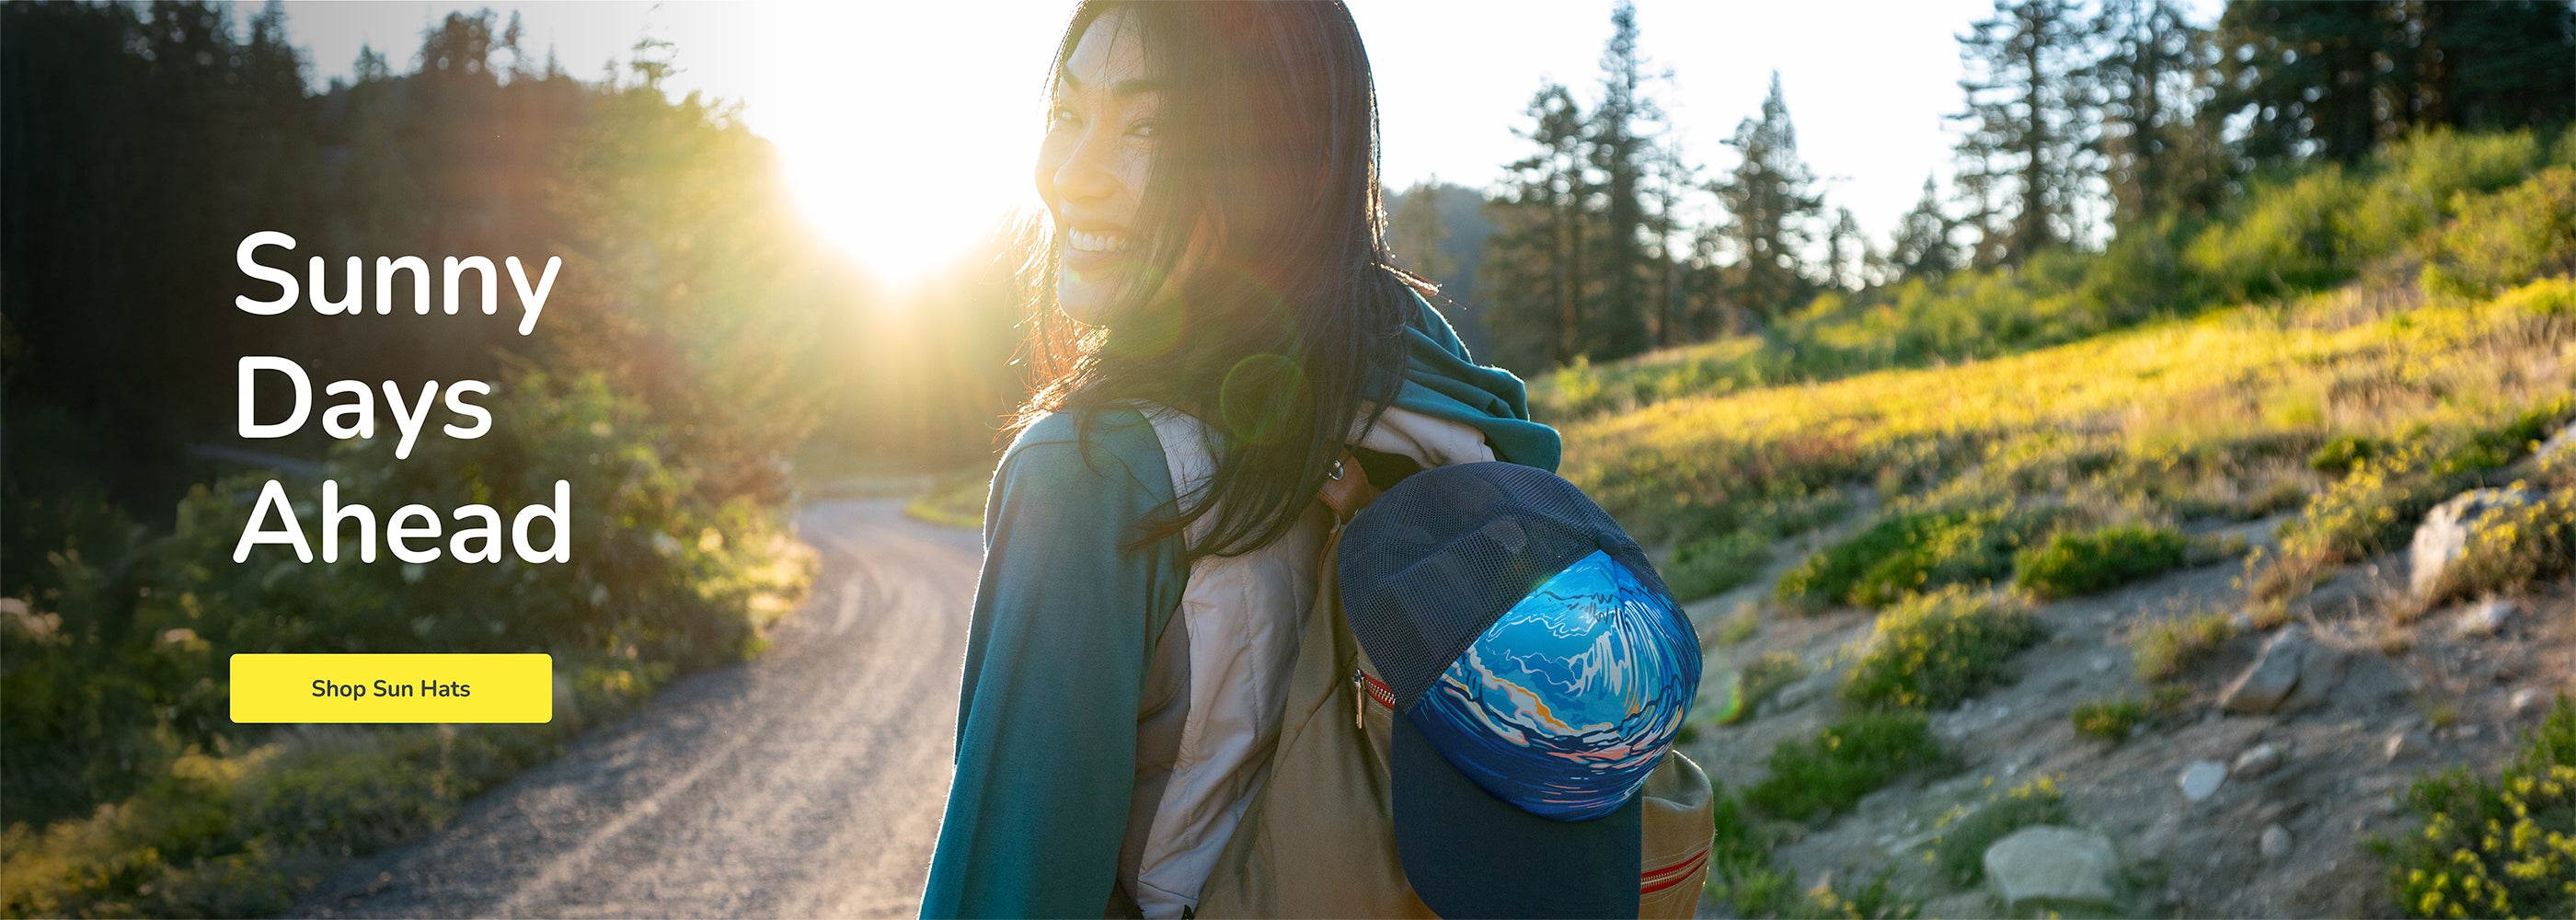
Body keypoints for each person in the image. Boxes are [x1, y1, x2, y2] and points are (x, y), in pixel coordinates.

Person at [918, 3, 1558, 917]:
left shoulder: (1090, 476)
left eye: (1153, 128)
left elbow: (1006, 889)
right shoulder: (1424, 366)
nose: (1071, 175)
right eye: (1068, 113)